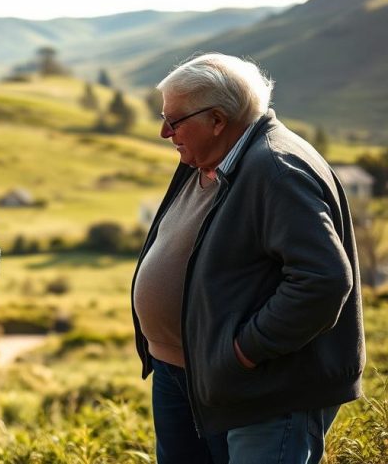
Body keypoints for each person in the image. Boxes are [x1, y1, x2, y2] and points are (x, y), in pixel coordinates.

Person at [130, 53, 365, 463]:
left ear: (217, 120)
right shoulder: (209, 157)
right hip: (185, 374)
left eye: (175, 120)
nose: (165, 132)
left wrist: (243, 352)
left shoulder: (276, 169)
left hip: (263, 389)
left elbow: (323, 281)